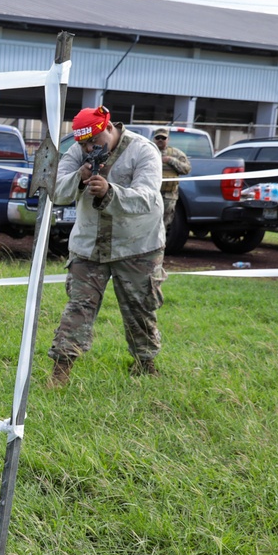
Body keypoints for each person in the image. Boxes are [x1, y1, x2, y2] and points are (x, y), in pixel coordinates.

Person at [48, 106, 166, 387]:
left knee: (140, 308)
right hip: (90, 245)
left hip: (138, 245)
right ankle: (60, 373)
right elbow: (55, 189)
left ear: (109, 128)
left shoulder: (143, 150)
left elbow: (148, 197)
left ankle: (145, 364)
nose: (89, 148)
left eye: (94, 142)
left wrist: (111, 192)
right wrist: (79, 177)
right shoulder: (78, 153)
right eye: (84, 143)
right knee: (78, 307)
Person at [152, 127, 191, 231]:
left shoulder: (176, 154)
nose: (160, 140)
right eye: (158, 137)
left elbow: (186, 169)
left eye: (163, 138)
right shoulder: (148, 151)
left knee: (162, 225)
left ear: (168, 139)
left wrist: (170, 160)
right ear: (154, 138)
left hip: (168, 196)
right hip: (150, 194)